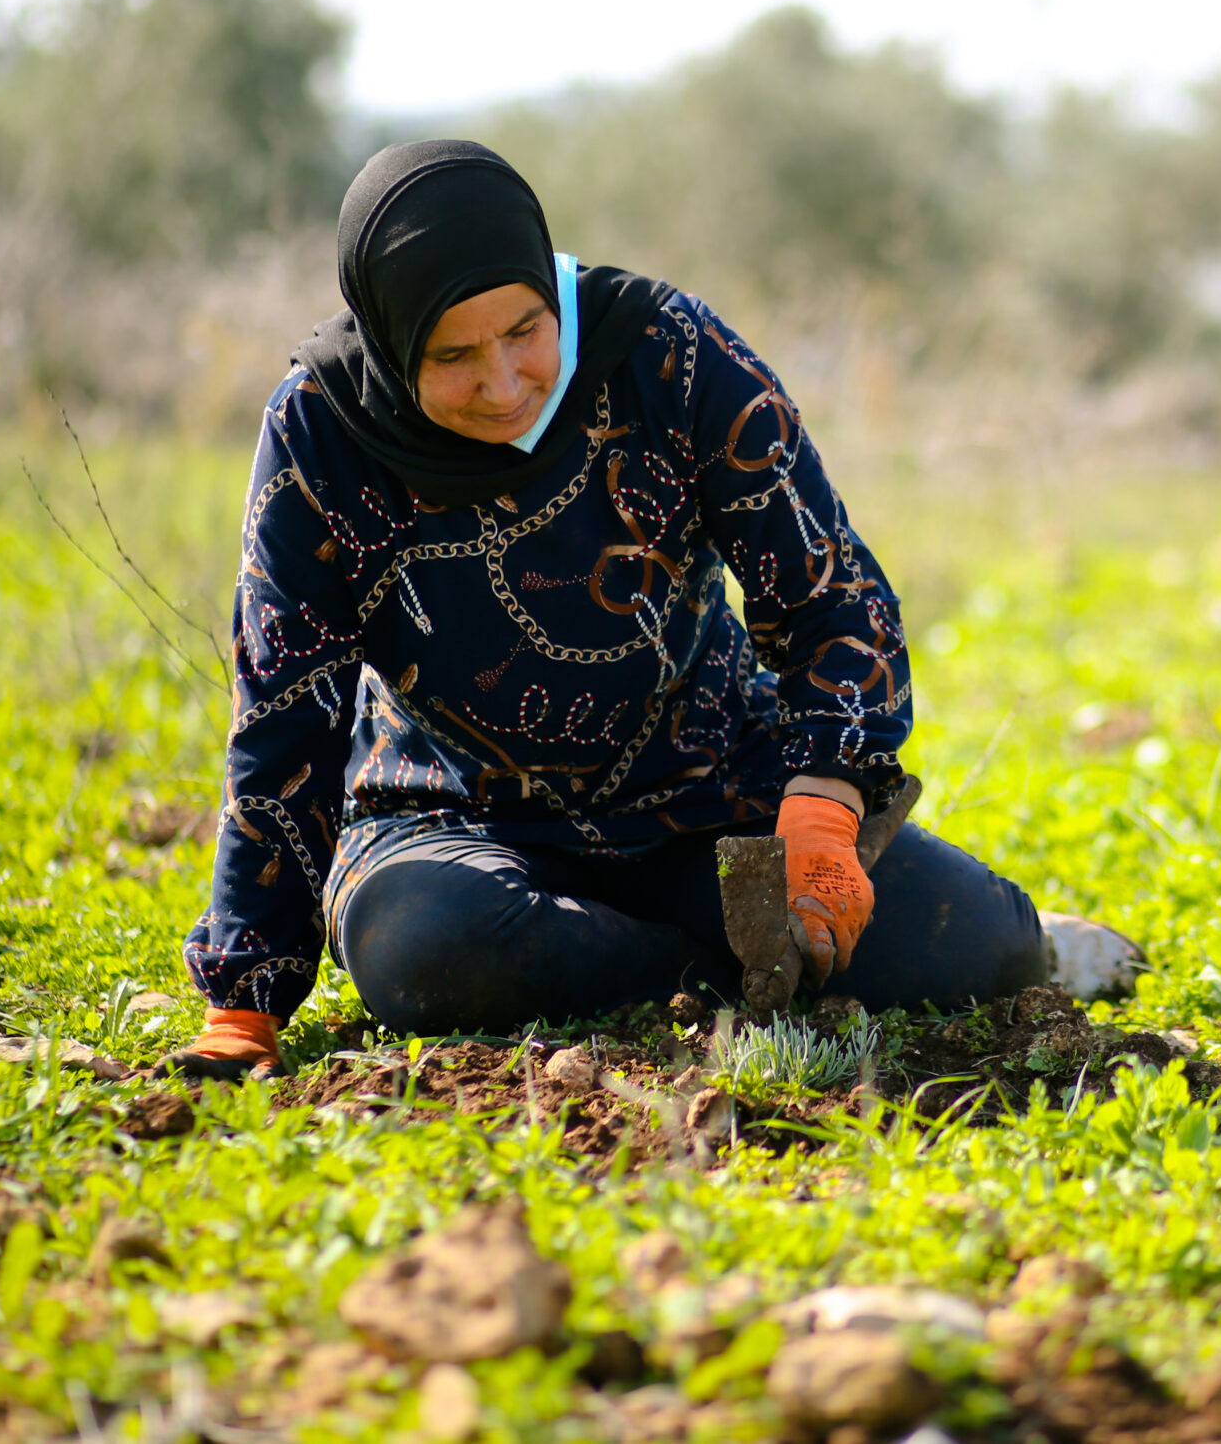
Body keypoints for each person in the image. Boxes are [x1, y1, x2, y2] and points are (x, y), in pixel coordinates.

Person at [164, 140, 1057, 1079]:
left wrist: (826, 800)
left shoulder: (666, 353)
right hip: (450, 822)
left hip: (708, 791)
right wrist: (243, 1002)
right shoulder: (323, 431)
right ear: (391, 342)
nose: (504, 383)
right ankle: (705, 963)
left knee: (977, 949)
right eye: (454, 355)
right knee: (420, 950)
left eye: (523, 331)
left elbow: (829, 591)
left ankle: (683, 945)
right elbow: (284, 710)